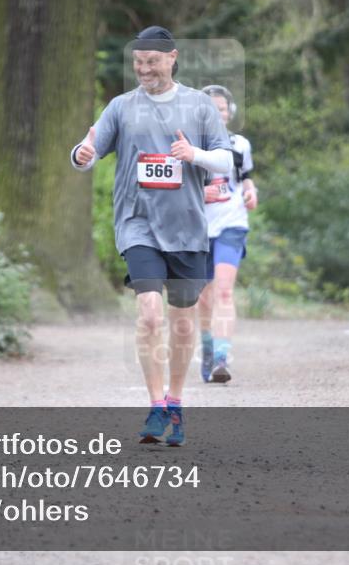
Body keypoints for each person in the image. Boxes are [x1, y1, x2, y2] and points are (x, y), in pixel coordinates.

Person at [71, 26, 232, 446]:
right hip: (137, 223)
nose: (144, 69)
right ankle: (155, 407)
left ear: (173, 58)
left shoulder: (199, 106)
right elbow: (88, 149)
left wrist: (192, 154)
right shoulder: (122, 107)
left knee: (181, 324)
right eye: (138, 62)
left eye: (152, 62)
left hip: (187, 230)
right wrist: (81, 156)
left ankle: (175, 404)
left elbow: (225, 161)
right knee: (149, 314)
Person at [197, 85, 257, 383]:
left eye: (221, 109)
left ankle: (222, 358)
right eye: (211, 108)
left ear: (229, 113)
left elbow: (245, 179)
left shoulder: (240, 145)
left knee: (223, 290)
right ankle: (207, 350)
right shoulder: (190, 146)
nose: (217, 114)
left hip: (232, 224)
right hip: (197, 228)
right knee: (204, 299)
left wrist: (250, 191)